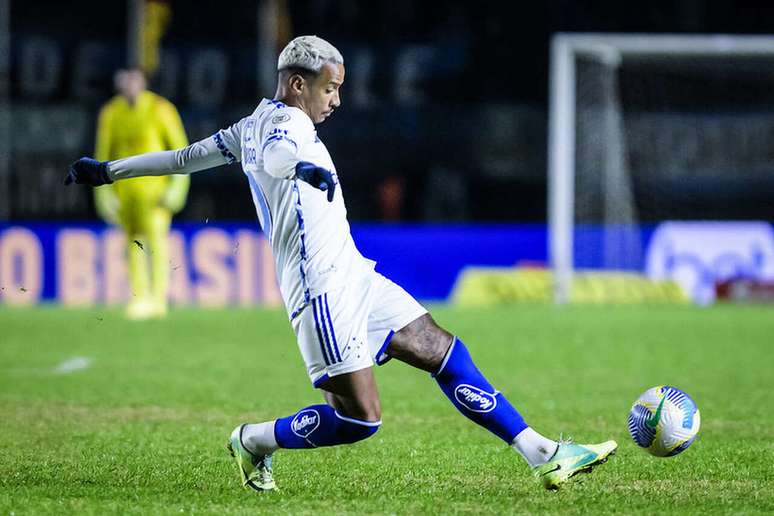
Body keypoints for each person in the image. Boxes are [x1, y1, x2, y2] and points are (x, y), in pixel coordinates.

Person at [65, 36, 616, 490]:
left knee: (442, 348)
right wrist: (301, 171)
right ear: (298, 83)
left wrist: (110, 170)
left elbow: (184, 159)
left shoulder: (246, 129)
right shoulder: (285, 128)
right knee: (360, 420)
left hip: (352, 274)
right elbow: (282, 155)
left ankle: (543, 452)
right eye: (331, 88)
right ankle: (253, 439)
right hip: (319, 291)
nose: (336, 100)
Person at [93, 68, 190, 320]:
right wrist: (104, 195)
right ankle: (139, 297)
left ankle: (158, 298)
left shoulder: (160, 109)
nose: (129, 84)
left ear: (143, 82)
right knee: (131, 244)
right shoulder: (111, 112)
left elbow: (181, 150)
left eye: (134, 79)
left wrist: (176, 189)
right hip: (125, 192)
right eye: (125, 79)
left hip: (154, 193)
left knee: (157, 243)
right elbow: (103, 153)